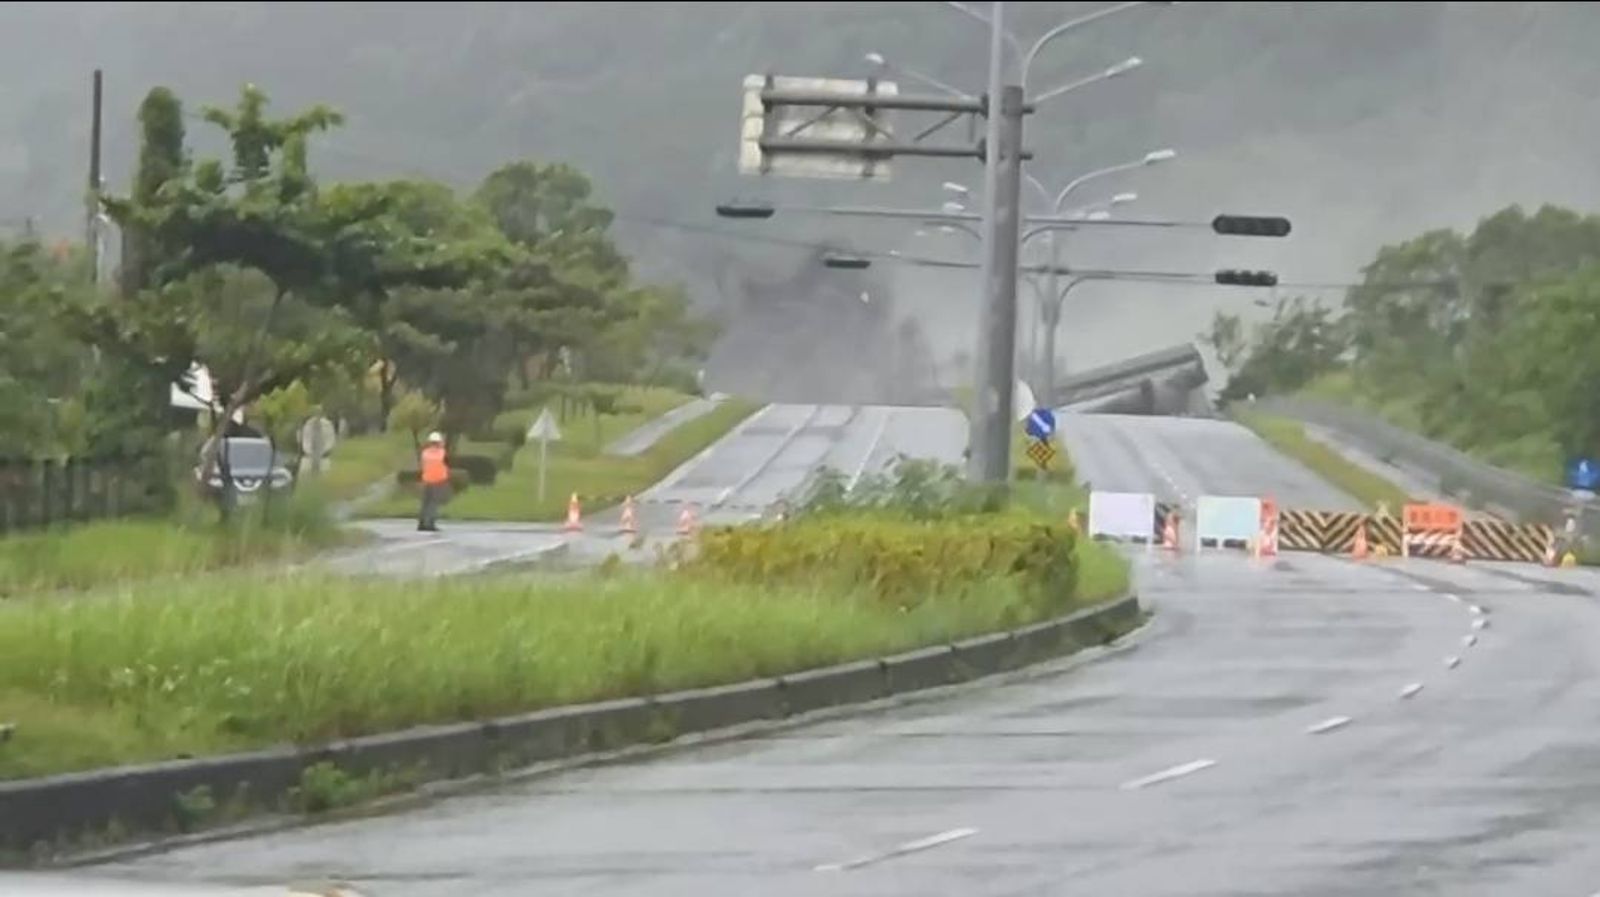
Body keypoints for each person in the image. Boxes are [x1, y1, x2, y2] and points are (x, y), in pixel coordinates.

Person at [418, 431, 450, 532]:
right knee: (433, 503)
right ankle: (430, 523)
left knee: (425, 503)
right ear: (439, 442)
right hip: (438, 480)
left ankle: (422, 523)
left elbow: (422, 465)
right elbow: (447, 463)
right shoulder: (442, 452)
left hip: (427, 480)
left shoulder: (425, 452)